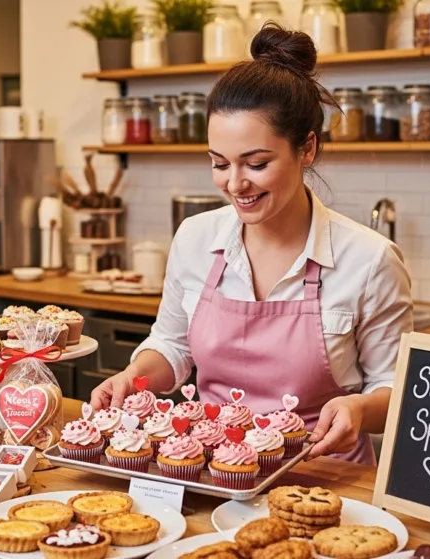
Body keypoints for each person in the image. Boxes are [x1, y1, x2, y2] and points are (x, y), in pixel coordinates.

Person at [90, 25, 413, 464]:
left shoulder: (369, 260)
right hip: (207, 468)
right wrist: (134, 376)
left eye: (256, 163)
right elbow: (173, 345)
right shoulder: (196, 238)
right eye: (219, 164)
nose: (236, 183)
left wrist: (360, 408)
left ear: (308, 148)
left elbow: (395, 389)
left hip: (325, 481)